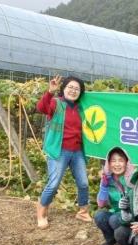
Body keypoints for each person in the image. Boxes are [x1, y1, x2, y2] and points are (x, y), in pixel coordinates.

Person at [36, 74, 91, 229]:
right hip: (59, 151)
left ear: (81, 92)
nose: (73, 91)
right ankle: (41, 212)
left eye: (77, 89)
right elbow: (41, 108)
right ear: (64, 89)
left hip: (77, 151)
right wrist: (49, 92)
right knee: (53, 184)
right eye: (70, 87)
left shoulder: (81, 108)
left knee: (83, 183)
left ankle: (83, 211)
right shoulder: (55, 103)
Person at [94, 147, 134, 245]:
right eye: (113, 161)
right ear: (108, 164)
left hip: (131, 215)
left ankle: (127, 241)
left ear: (126, 162)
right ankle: (111, 239)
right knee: (99, 215)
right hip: (116, 212)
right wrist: (104, 184)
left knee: (114, 219)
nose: (117, 164)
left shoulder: (132, 178)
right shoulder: (108, 179)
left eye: (120, 160)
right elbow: (101, 204)